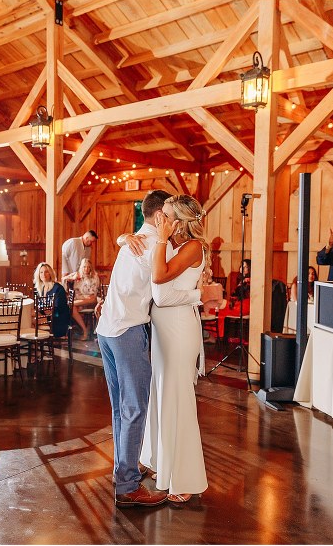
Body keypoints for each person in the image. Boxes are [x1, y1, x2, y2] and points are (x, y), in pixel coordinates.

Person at [96, 189, 200, 508]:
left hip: (106, 330)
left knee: (121, 409)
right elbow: (163, 293)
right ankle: (128, 485)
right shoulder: (156, 244)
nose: (171, 220)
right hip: (127, 331)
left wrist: (122, 238)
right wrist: (197, 295)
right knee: (135, 408)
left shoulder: (134, 241)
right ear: (159, 216)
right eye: (168, 214)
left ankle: (124, 471)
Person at [139, 193, 210, 504]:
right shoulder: (171, 244)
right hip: (163, 331)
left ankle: (185, 477)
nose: (160, 219)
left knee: (177, 399)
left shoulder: (192, 247)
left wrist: (160, 241)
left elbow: (159, 282)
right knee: (160, 395)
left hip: (179, 330)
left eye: (166, 215)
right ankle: (158, 461)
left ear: (180, 220)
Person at [61, 258, 100, 340]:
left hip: (91, 300)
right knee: (72, 307)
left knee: (71, 304)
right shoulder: (77, 275)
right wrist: (72, 279)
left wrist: (81, 296)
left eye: (88, 267)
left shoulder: (94, 276)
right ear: (81, 267)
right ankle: (84, 330)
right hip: (79, 300)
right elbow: (63, 280)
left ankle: (82, 330)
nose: (86, 269)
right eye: (84, 267)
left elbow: (92, 294)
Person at [215, 259, 251, 338]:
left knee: (217, 307)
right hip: (238, 304)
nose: (242, 268)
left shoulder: (248, 281)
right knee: (219, 310)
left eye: (245, 267)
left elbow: (239, 295)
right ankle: (219, 335)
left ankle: (218, 335)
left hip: (244, 305)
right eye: (241, 266)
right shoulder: (242, 280)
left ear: (249, 269)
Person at [33, 262, 70, 338]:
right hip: (49, 316)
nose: (43, 274)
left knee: (33, 320)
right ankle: (38, 340)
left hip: (58, 319)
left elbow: (59, 309)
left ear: (50, 274)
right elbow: (41, 307)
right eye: (41, 272)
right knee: (29, 315)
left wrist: (44, 312)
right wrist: (41, 311)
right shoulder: (41, 288)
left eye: (46, 272)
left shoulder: (57, 288)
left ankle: (39, 340)